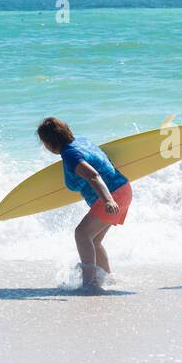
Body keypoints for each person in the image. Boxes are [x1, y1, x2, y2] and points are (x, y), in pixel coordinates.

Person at [36, 117, 132, 292]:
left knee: (81, 234)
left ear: (49, 143)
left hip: (112, 196)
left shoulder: (71, 155)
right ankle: (108, 279)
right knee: (93, 240)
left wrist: (108, 200)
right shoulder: (81, 140)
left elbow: (93, 175)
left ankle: (90, 284)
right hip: (123, 189)